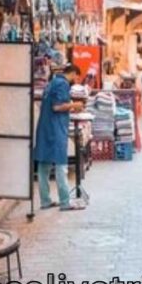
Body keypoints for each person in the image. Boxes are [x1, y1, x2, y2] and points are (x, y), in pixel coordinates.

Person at [34, 64, 85, 211]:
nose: (76, 80)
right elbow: (57, 106)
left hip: (45, 128)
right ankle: (65, 201)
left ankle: (45, 201)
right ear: (73, 73)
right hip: (55, 129)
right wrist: (74, 105)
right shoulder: (63, 84)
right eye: (77, 77)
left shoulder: (52, 82)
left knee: (44, 166)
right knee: (61, 165)